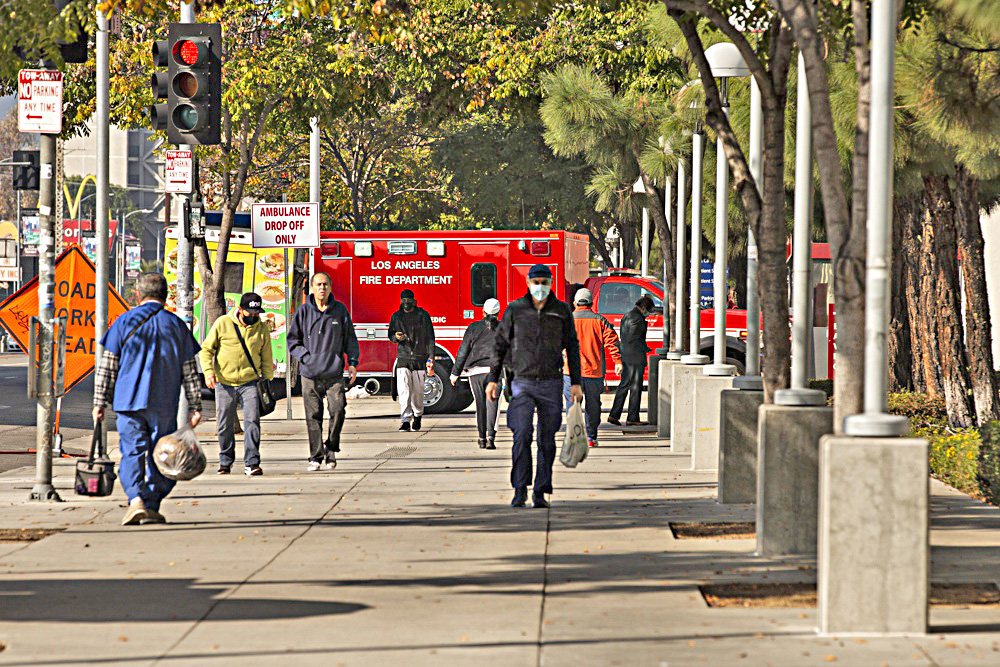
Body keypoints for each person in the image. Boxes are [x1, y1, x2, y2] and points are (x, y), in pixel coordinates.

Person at [92, 273, 202, 526]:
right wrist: (195, 405)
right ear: (165, 296)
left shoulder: (123, 322)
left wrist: (99, 402)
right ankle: (151, 502)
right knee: (160, 454)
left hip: (127, 402)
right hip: (163, 403)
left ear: (138, 295)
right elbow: (189, 370)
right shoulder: (176, 325)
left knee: (132, 452)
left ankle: (136, 502)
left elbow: (107, 367)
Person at [487, 264, 583, 509]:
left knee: (547, 439)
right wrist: (493, 379)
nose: (540, 286)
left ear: (550, 283)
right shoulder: (515, 310)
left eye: (544, 281)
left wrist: (576, 383)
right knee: (521, 435)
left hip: (551, 382)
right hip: (522, 383)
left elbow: (572, 346)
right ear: (528, 283)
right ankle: (520, 489)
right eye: (536, 281)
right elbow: (499, 346)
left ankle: (540, 490)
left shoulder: (561, 311)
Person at [287, 273, 359, 472]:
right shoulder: (303, 312)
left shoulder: (340, 311)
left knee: (338, 410)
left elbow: (350, 339)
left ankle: (331, 448)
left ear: (330, 287)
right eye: (318, 284)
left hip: (333, 373)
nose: (322, 288)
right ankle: (316, 457)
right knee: (313, 416)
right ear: (312, 287)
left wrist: (352, 362)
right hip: (309, 373)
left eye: (325, 284)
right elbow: (292, 341)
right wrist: (306, 357)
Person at [200, 292, 273, 476]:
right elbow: (206, 350)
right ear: (240, 310)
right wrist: (208, 373)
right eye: (250, 313)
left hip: (250, 382)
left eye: (257, 313)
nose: (253, 317)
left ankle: (252, 463)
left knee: (252, 422)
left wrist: (267, 378)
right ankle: (225, 461)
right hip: (224, 382)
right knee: (224, 425)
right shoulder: (223, 323)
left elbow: (266, 354)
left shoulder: (261, 328)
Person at [564, 288, 622, 447]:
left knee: (572, 406)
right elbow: (612, 341)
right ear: (591, 303)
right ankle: (591, 438)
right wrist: (617, 361)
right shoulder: (600, 321)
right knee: (593, 406)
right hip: (593, 372)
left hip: (570, 373)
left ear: (575, 303)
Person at [451, 298, 501, 449]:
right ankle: (491, 438)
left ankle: (482, 439)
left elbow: (463, 352)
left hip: (475, 372)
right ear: (498, 313)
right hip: (495, 370)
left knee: (480, 405)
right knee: (492, 403)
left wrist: (455, 373)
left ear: (482, 311)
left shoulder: (473, 328)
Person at [389, 289, 435, 432]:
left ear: (414, 301)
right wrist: (396, 337)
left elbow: (430, 338)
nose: (406, 303)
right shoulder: (396, 317)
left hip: (419, 358)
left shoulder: (423, 316)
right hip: (403, 358)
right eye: (404, 300)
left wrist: (431, 357)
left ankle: (418, 415)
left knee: (418, 392)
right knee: (404, 391)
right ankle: (405, 421)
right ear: (401, 301)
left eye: (408, 300)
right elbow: (390, 335)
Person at [608, 295, 654, 426]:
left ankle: (614, 415)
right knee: (635, 387)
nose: (649, 314)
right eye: (649, 311)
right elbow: (634, 339)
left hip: (627, 356)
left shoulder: (628, 315)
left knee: (624, 385)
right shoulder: (637, 318)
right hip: (634, 358)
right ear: (644, 308)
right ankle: (632, 418)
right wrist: (643, 349)